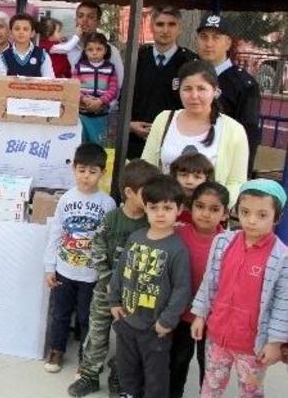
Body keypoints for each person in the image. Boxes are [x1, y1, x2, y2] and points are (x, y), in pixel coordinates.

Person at [68, 159, 162, 397]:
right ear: (130, 193)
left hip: (134, 296)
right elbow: (97, 249)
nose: (154, 199)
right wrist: (108, 279)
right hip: (105, 290)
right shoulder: (111, 219)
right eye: (147, 193)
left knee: (127, 340)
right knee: (97, 333)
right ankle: (89, 375)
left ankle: (120, 376)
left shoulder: (151, 224)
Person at [191, 179, 288, 398]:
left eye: (262, 215)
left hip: (252, 345)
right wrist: (200, 315)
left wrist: (274, 342)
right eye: (245, 212)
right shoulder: (223, 242)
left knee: (250, 390)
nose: (251, 220)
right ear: (236, 211)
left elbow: (284, 304)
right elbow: (210, 282)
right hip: (217, 337)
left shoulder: (282, 257)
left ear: (277, 217)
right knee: (211, 386)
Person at [109, 175, 192, 398]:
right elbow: (120, 270)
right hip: (127, 321)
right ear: (145, 207)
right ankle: (129, 394)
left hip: (155, 328)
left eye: (167, 207)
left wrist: (167, 321)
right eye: (154, 207)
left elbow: (182, 289)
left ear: (179, 209)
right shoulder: (136, 237)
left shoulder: (177, 249)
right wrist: (114, 301)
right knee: (127, 368)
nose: (160, 213)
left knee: (156, 376)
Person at [43, 143, 116, 373]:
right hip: (64, 270)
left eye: (93, 171)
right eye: (82, 170)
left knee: (87, 317)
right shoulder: (66, 199)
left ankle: (87, 357)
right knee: (61, 313)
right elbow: (56, 232)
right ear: (74, 169)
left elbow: (109, 242)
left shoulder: (107, 203)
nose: (86, 176)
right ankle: (56, 349)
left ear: (102, 173)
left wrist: (106, 276)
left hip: (91, 275)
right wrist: (49, 266)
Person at [142, 60, 249, 205]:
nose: (194, 95)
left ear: (215, 91)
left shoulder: (233, 130)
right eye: (187, 89)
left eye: (201, 89)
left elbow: (237, 182)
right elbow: (147, 168)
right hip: (163, 214)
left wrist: (214, 207)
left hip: (207, 219)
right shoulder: (163, 119)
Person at [169, 182, 229, 398]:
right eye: (200, 206)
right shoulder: (176, 234)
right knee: (177, 361)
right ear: (190, 207)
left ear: (225, 213)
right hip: (180, 316)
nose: (205, 214)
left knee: (210, 369)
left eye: (214, 209)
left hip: (212, 320)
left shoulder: (230, 243)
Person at [196, 13, 261, 175]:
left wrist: (241, 178)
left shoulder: (244, 84)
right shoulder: (189, 75)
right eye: (204, 37)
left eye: (216, 38)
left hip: (222, 166)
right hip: (187, 162)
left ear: (228, 43)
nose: (209, 44)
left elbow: (248, 136)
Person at [129, 6, 197, 159]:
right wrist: (130, 125)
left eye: (171, 24)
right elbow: (124, 97)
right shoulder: (136, 59)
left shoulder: (190, 63)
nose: (165, 30)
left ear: (179, 28)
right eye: (160, 24)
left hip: (175, 144)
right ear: (151, 27)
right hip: (136, 143)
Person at [58, 1, 125, 97]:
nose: (84, 20)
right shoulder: (64, 47)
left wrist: (100, 104)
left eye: (90, 17)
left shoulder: (111, 50)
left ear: (98, 22)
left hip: (103, 108)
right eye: (80, 16)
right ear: (76, 20)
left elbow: (118, 84)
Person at [72, 32, 118, 144]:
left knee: (99, 144)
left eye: (99, 49)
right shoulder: (79, 68)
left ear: (105, 50)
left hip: (101, 114)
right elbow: (74, 87)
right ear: (85, 51)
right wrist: (84, 99)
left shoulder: (110, 69)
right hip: (82, 114)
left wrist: (101, 101)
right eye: (90, 49)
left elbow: (113, 89)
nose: (94, 52)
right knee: (81, 143)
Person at [0, 13, 55, 78]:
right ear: (10, 33)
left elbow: (50, 81)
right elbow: (0, 82)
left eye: (25, 29)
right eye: (17, 29)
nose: (21, 32)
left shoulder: (43, 55)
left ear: (32, 33)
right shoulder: (4, 57)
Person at [170, 152, 214, 225]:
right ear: (175, 177)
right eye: (183, 175)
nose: (189, 181)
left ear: (206, 179)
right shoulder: (165, 201)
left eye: (197, 177)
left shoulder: (212, 204)